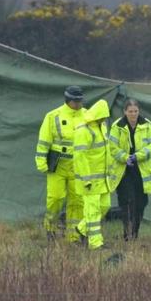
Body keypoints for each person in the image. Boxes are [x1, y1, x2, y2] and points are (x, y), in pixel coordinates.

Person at [35, 85, 86, 243]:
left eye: (80, 101)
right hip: (57, 165)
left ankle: (73, 236)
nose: (78, 104)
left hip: (78, 165)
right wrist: (41, 162)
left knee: (77, 200)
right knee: (55, 198)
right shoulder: (53, 116)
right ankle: (50, 228)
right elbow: (44, 141)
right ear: (68, 100)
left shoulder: (88, 116)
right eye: (75, 101)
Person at [109, 98, 151, 241]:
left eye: (135, 111)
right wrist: (125, 157)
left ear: (139, 111)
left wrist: (139, 156)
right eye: (130, 111)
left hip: (141, 170)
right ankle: (127, 234)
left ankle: (135, 234)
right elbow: (112, 147)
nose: (133, 114)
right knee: (127, 202)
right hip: (124, 171)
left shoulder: (147, 125)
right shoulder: (117, 126)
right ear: (125, 112)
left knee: (141, 203)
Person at [73, 99, 117, 250]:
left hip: (103, 180)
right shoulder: (83, 130)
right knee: (93, 211)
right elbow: (80, 157)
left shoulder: (102, 127)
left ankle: (81, 229)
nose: (105, 118)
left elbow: (105, 152)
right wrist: (86, 179)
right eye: (103, 116)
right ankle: (95, 244)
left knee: (105, 206)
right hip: (89, 181)